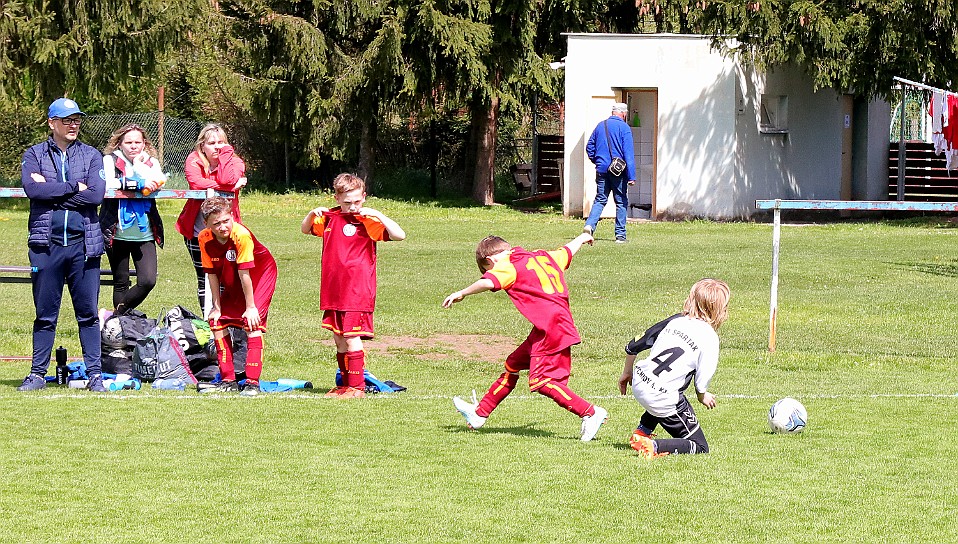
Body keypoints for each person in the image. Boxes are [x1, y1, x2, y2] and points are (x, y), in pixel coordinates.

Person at [443, 232, 609, 442]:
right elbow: (566, 251)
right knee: (513, 364)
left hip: (550, 327)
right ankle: (479, 414)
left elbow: (488, 283)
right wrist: (582, 238)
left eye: (487, 270)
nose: (489, 273)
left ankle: (590, 412)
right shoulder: (541, 256)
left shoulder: (507, 264)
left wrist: (462, 293)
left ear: (490, 260)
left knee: (541, 381)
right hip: (551, 324)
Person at [17, 98, 108, 392]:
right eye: (67, 120)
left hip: (84, 248)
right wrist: (72, 187)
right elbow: (33, 190)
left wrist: (51, 191)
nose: (73, 125)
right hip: (46, 246)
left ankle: (95, 374)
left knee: (88, 314)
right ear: (52, 123)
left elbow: (95, 197)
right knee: (45, 315)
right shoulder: (34, 154)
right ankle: (37, 374)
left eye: (77, 119)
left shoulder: (92, 155)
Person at [301, 173, 406, 398]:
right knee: (338, 338)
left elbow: (400, 235)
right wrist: (311, 214)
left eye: (357, 201)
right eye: (347, 202)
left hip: (357, 290)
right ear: (337, 198)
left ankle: (357, 387)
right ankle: (344, 385)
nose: (352, 207)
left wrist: (377, 213)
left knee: (351, 336)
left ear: (364, 197)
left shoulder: (368, 221)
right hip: (333, 290)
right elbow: (305, 229)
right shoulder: (329, 217)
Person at [617, 278, 730, 458]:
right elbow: (702, 378)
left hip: (640, 382)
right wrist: (702, 395)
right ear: (717, 310)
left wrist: (627, 372)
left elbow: (636, 343)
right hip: (661, 396)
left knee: (670, 385)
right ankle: (653, 446)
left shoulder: (676, 320)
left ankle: (642, 432)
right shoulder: (710, 338)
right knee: (699, 446)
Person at [197, 197, 277, 396]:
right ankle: (228, 380)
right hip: (234, 273)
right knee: (217, 321)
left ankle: (252, 382)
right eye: (216, 223)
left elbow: (245, 274)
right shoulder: (204, 238)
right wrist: (216, 306)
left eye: (226, 220)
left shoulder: (241, 235)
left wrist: (251, 307)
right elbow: (211, 274)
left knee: (251, 322)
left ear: (232, 216)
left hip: (259, 274)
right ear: (207, 224)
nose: (223, 227)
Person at [175, 123, 247, 313]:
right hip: (197, 231)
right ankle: (209, 321)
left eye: (221, 142)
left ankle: (227, 319)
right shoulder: (194, 160)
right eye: (212, 143)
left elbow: (227, 178)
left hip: (227, 231)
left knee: (228, 277)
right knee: (205, 277)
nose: (217, 146)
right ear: (202, 146)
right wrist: (229, 187)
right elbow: (196, 183)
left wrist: (225, 158)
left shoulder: (236, 162)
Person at [99, 124, 166, 316]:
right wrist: (140, 184)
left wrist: (140, 166)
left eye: (138, 142)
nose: (133, 146)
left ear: (144, 143)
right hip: (116, 232)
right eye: (128, 142)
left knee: (147, 280)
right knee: (120, 281)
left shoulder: (151, 161)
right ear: (119, 143)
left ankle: (114, 316)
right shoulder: (109, 160)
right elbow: (110, 184)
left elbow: (159, 181)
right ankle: (119, 327)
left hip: (144, 233)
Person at [584, 102, 635, 243]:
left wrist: (598, 161)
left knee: (600, 199)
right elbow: (628, 154)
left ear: (613, 112)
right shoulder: (624, 128)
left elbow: (589, 147)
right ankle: (620, 235)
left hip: (601, 170)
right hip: (618, 172)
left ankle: (589, 226)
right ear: (624, 114)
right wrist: (632, 176)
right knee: (620, 201)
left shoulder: (600, 125)